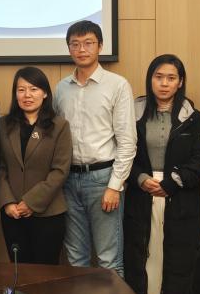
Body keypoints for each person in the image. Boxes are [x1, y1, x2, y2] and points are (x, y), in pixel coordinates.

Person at [123, 55, 200, 294]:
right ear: (150, 80)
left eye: (171, 78)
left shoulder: (192, 117)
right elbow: (124, 152)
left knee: (178, 256)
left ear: (180, 82)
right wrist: (140, 179)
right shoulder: (133, 113)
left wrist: (172, 183)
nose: (164, 83)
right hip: (142, 194)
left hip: (179, 196)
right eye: (158, 77)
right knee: (143, 256)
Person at [53, 20, 137, 275]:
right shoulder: (61, 88)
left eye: (88, 43)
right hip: (68, 180)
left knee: (108, 260)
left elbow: (127, 141)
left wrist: (115, 186)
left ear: (100, 46)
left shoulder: (117, 85)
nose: (82, 49)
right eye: (75, 44)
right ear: (69, 48)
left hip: (103, 180)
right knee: (75, 259)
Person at [0, 67, 71, 265]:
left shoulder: (59, 126)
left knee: (45, 274)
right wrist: (7, 202)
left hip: (48, 213)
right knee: (19, 271)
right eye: (21, 90)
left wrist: (30, 202)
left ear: (45, 93)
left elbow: (60, 171)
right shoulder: (3, 125)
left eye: (34, 89)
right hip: (12, 213)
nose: (27, 95)